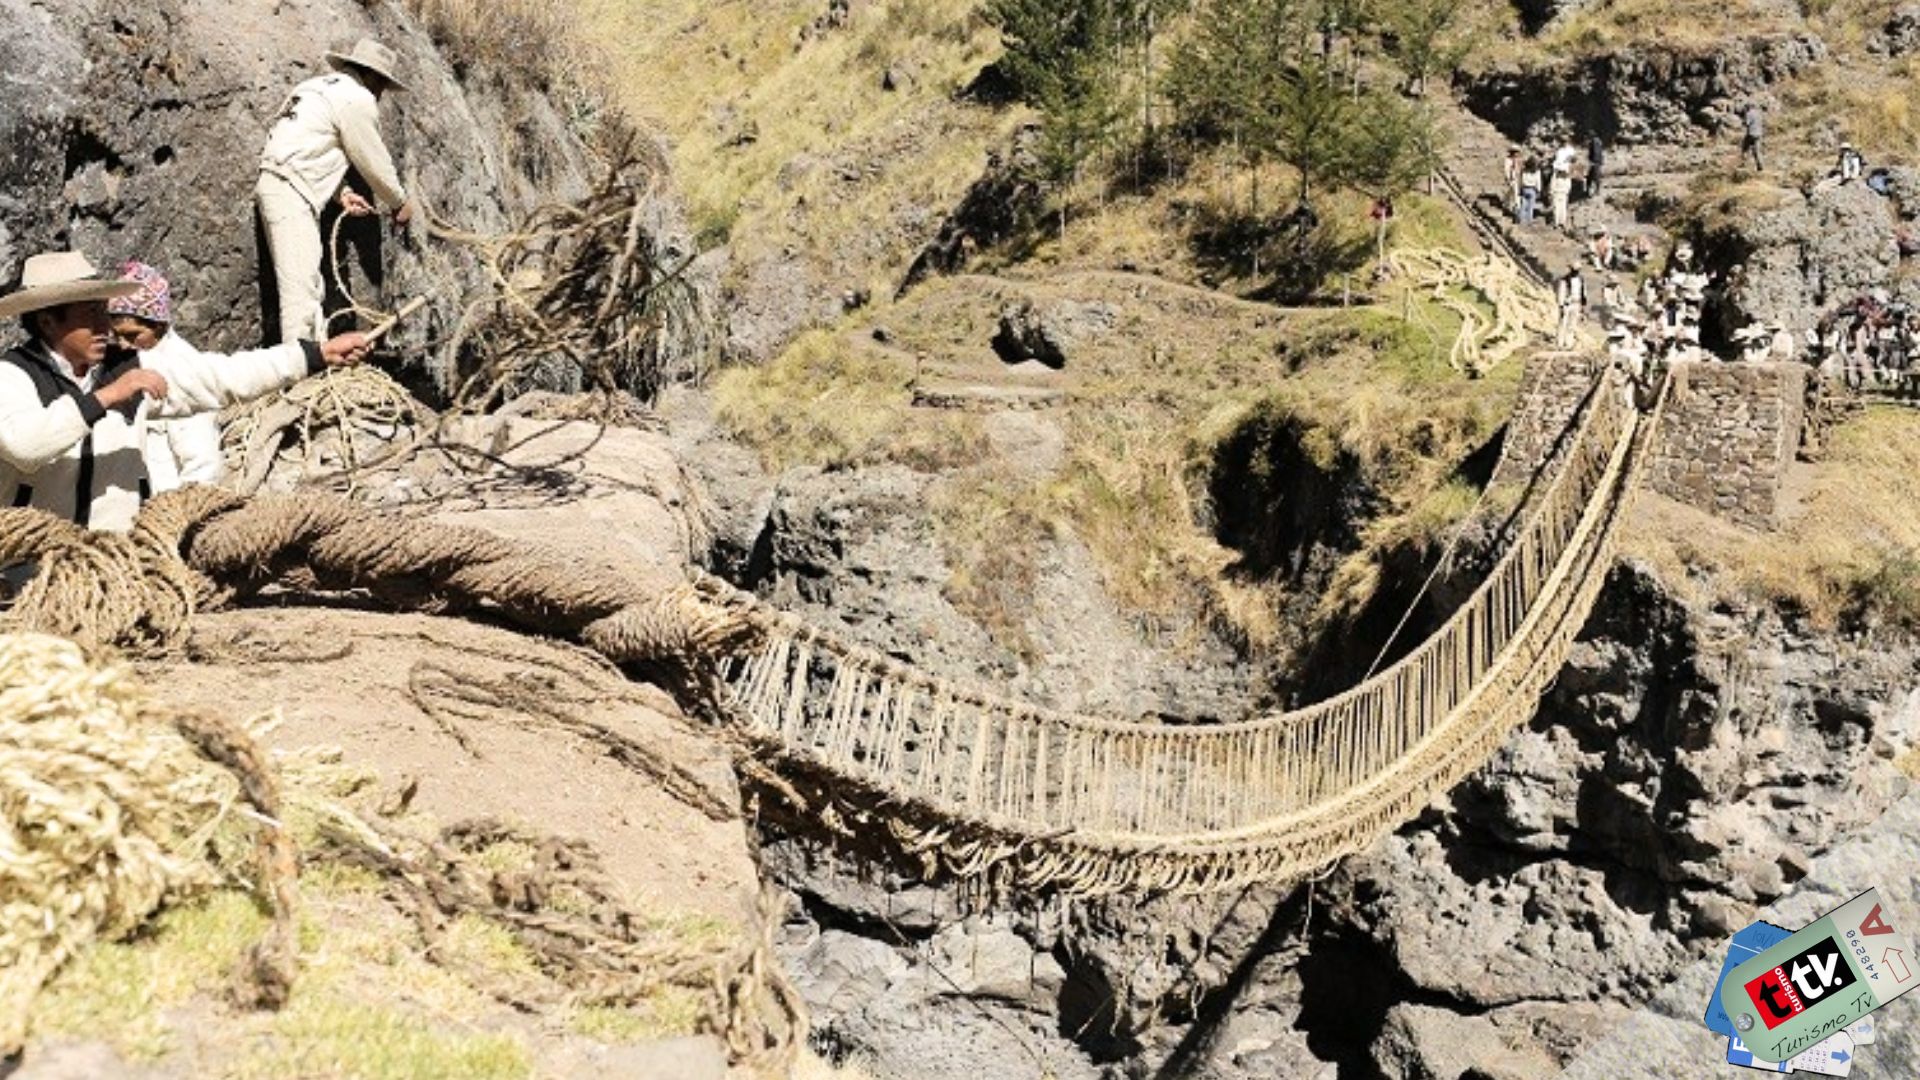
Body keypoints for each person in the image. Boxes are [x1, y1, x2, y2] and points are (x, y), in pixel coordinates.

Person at [0, 250, 372, 533]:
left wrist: (315, 354)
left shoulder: (128, 367)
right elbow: (25, 447)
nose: (104, 327)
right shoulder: (13, 375)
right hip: (30, 561)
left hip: (114, 559)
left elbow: (221, 376)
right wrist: (108, 396)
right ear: (48, 322)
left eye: (103, 312)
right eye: (90, 316)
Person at [256, 37, 414, 346]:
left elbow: (306, 148)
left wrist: (340, 192)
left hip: (281, 184)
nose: (381, 94)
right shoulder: (356, 98)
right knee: (300, 295)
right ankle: (299, 380)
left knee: (307, 285)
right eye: (381, 85)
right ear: (371, 76)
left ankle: (310, 364)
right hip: (290, 192)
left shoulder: (314, 88)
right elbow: (370, 156)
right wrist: (398, 201)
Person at [103, 262, 224, 493]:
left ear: (158, 326)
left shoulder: (183, 369)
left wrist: (181, 518)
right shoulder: (125, 363)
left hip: (166, 505)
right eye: (116, 335)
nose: (122, 344)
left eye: (132, 335)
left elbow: (203, 463)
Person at [1555, 265, 1585, 348]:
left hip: (1576, 303)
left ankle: (1568, 343)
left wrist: (1582, 306)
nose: (1576, 272)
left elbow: (1582, 292)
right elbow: (1561, 292)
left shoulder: (1580, 279)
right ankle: (1560, 343)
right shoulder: (1565, 280)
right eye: (1574, 270)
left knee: (1572, 324)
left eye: (1577, 270)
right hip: (1567, 304)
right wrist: (1561, 305)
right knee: (1563, 323)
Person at [1549, 143, 1577, 232]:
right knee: (1563, 205)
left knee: (1557, 205)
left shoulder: (1557, 173)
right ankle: (1562, 222)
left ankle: (1557, 222)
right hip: (1564, 190)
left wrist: (1551, 190)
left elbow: (1553, 182)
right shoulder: (1567, 176)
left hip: (1558, 189)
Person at [1740, 102, 1766, 172]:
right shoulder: (1758, 113)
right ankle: (1760, 166)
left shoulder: (1749, 114)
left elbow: (1747, 123)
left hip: (1751, 134)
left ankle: (1743, 164)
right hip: (1759, 134)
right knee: (1757, 151)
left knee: (1744, 148)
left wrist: (1743, 122)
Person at [1518, 157, 1543, 226]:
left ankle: (1521, 220)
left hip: (1525, 188)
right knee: (1530, 206)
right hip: (1533, 189)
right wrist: (1539, 190)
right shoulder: (1537, 171)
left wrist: (1520, 189)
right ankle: (1529, 220)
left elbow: (1522, 180)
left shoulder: (1524, 170)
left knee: (1523, 205)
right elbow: (1538, 182)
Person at [1503, 147, 1522, 218]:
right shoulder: (1508, 160)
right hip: (1511, 179)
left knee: (1513, 194)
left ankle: (1514, 208)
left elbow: (1519, 170)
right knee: (1512, 194)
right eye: (1516, 152)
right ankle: (1514, 209)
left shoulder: (1517, 160)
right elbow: (1506, 170)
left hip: (1516, 179)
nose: (1517, 154)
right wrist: (1508, 179)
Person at [1587, 134, 1606, 198]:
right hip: (1597, 162)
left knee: (1594, 176)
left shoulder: (1594, 141)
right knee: (1595, 176)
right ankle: (1596, 190)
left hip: (1595, 162)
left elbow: (1596, 152)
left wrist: (1593, 162)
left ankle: (1595, 191)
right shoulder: (1598, 141)